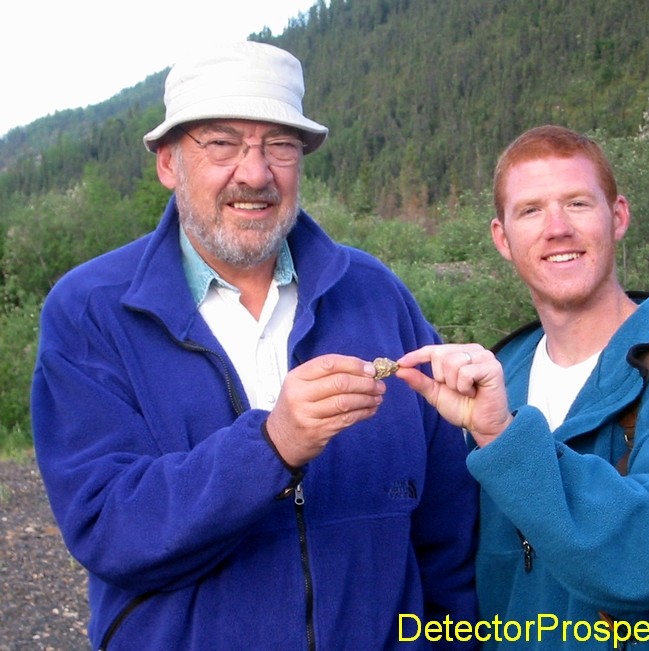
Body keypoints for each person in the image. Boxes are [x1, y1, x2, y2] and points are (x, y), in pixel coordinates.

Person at [31, 41, 478, 650]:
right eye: (222, 143)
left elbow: (448, 525)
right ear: (168, 163)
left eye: (281, 146)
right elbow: (107, 524)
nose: (256, 172)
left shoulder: (375, 293)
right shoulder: (91, 310)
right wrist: (274, 445)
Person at [397, 126, 649, 650]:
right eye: (531, 210)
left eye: (578, 203)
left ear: (619, 216)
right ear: (502, 238)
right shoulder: (503, 372)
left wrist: (502, 437)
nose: (557, 228)